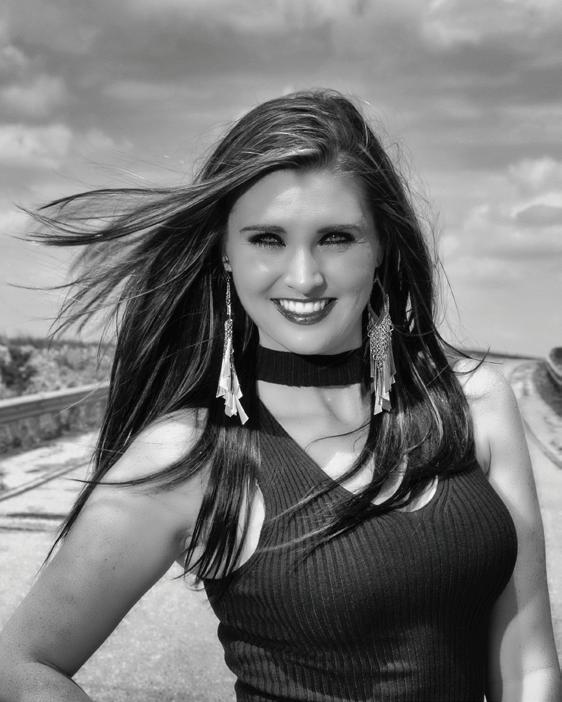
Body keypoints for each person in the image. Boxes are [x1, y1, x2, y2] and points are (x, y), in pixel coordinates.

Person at [0, 89, 559, 701]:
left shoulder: (475, 404)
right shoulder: (190, 454)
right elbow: (22, 664)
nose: (303, 277)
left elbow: (529, 669)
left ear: (381, 246)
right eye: (267, 238)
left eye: (336, 237)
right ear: (226, 253)